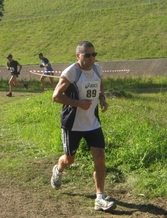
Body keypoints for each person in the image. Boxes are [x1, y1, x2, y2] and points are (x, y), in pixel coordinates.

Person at [50, 41, 116, 212]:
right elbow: (56, 96)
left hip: (92, 123)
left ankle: (99, 198)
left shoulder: (97, 69)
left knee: (100, 157)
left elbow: (99, 83)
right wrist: (78, 103)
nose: (91, 58)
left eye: (94, 54)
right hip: (73, 124)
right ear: (78, 56)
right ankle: (58, 169)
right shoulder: (72, 72)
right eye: (87, 55)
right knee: (69, 159)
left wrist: (102, 98)